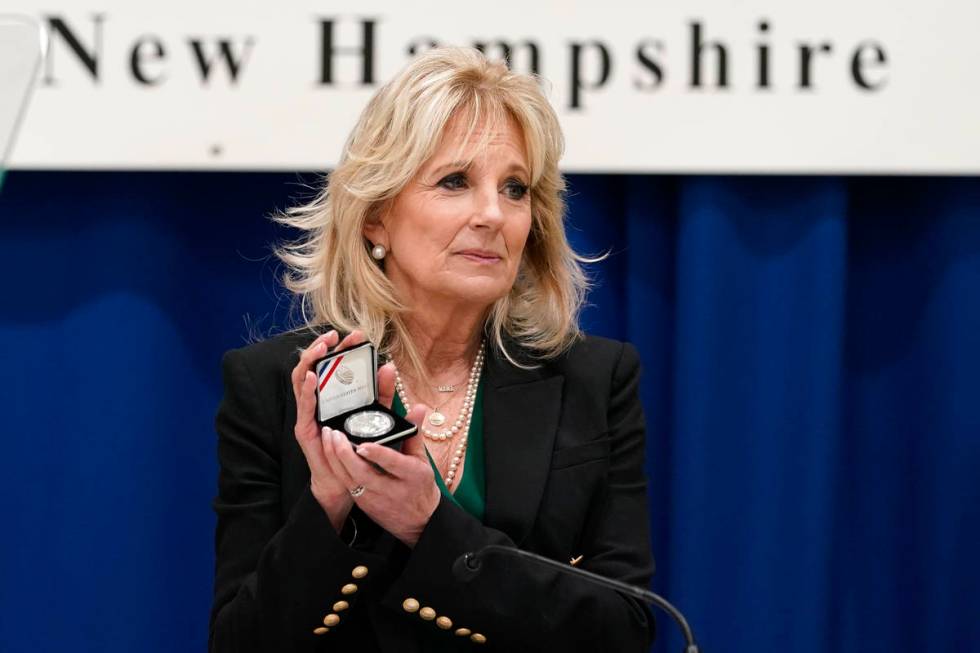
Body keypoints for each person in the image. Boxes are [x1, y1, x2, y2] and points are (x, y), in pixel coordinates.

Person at [209, 47, 654, 652]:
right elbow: (239, 644)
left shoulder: (594, 379)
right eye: (454, 182)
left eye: (515, 188)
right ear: (375, 217)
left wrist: (431, 526)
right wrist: (330, 509)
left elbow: (625, 629)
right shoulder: (277, 384)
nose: (493, 214)